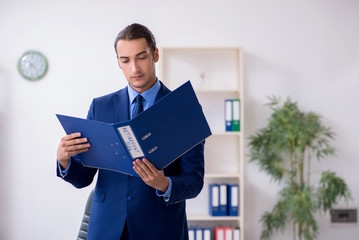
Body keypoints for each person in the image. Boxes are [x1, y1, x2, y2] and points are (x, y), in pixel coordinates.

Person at [56, 23, 205, 240]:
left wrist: (164, 184)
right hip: (106, 229)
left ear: (155, 54)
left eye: (141, 57)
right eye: (125, 60)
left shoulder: (183, 108)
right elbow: (83, 178)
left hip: (161, 230)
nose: (134, 68)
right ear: (118, 62)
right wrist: (64, 161)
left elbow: (194, 181)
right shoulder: (100, 107)